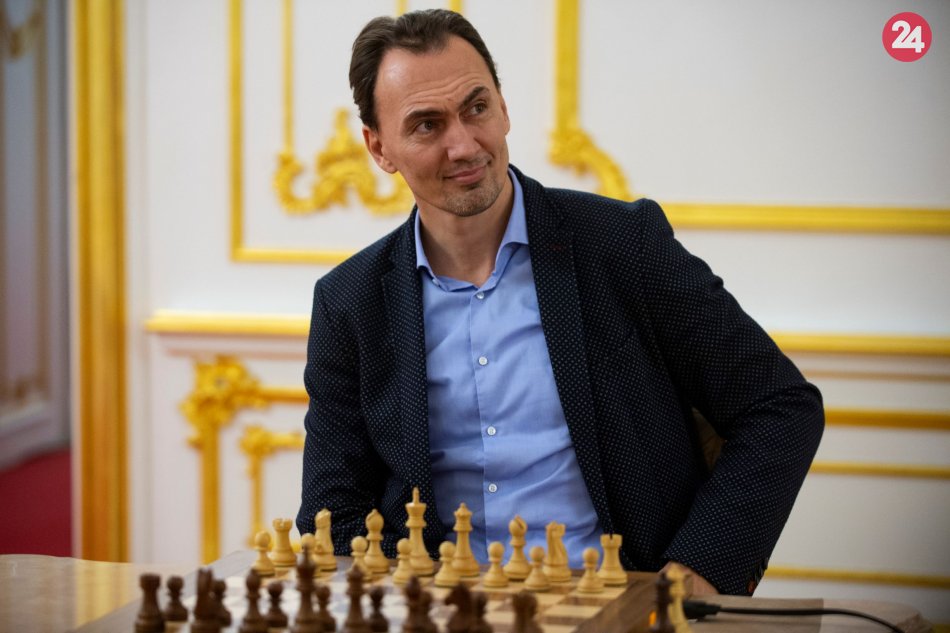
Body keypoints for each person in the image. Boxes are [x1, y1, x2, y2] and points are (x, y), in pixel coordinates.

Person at [296, 9, 824, 596]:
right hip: (441, 608)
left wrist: (696, 575)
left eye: (477, 108)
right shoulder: (349, 303)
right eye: (426, 125)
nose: (464, 145)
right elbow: (333, 511)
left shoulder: (624, 246)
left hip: (617, 605)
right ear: (379, 147)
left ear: (503, 107)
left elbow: (778, 406)